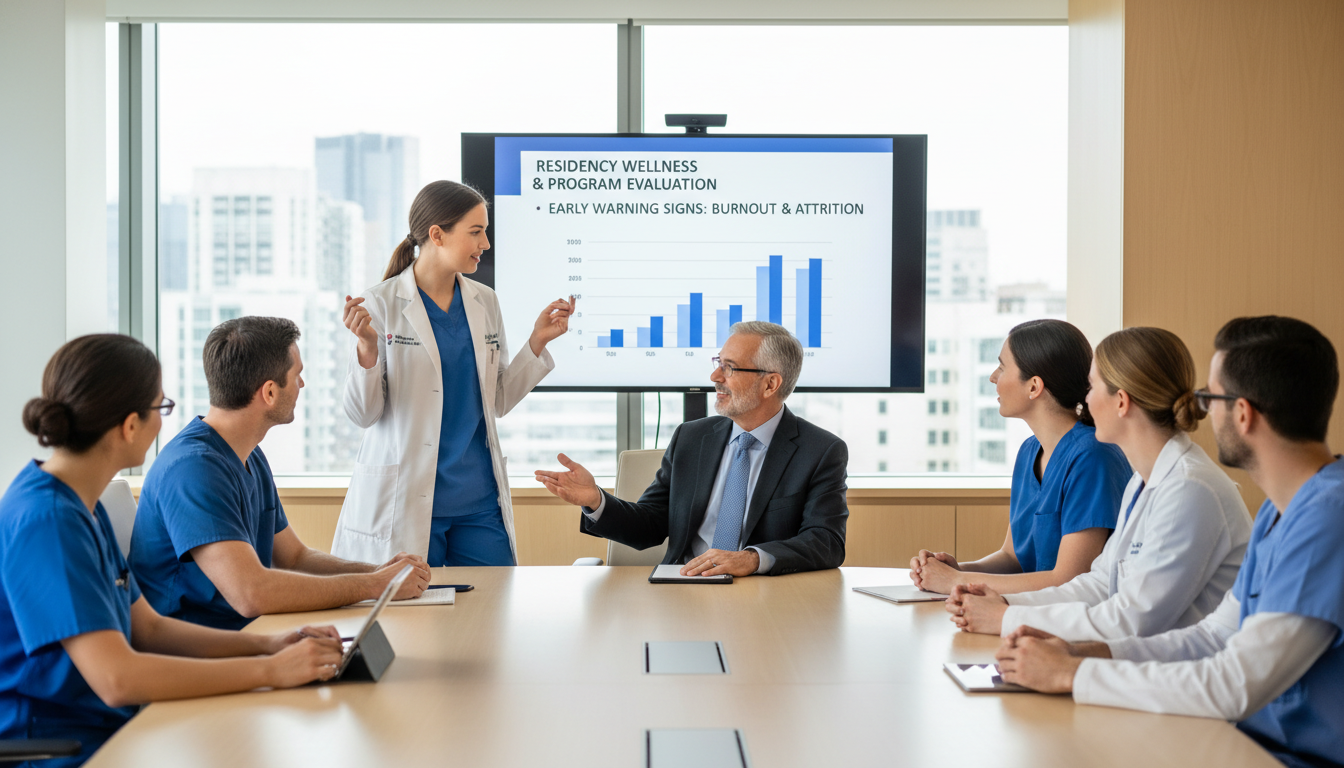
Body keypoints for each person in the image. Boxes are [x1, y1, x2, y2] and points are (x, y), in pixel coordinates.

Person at [995, 316, 1342, 768]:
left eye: (1209, 397)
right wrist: (1085, 652)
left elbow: (1233, 684)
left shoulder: (1325, 517)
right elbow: (1213, 637)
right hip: (1247, 740)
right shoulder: (1283, 511)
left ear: (1243, 413)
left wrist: (1075, 673)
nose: (1201, 411)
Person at [1, 335, 344, 767]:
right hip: (61, 745)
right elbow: (116, 678)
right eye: (162, 408)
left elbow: (150, 629)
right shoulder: (48, 520)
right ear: (129, 426)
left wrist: (270, 646)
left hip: (109, 723)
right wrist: (271, 672)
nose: (167, 423)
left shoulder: (80, 505)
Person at [947, 327, 1252, 639]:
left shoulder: (1189, 490)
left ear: (1121, 402)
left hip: (1185, 671)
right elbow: (1099, 583)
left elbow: (1133, 619)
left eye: (1092, 388)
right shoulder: (1143, 483)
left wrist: (1006, 617)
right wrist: (1004, 603)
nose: (1085, 400)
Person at [131, 317, 429, 631]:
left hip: (248, 634)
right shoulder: (192, 470)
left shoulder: (249, 455)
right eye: (297, 375)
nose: (302, 385)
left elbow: (296, 557)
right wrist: (376, 586)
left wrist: (379, 573)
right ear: (270, 392)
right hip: (194, 653)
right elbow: (251, 593)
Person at [333, 180, 573, 567]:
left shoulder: (484, 301)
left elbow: (498, 401)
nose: (486, 244)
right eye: (476, 232)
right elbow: (363, 414)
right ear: (437, 235)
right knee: (414, 622)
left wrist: (537, 342)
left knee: (493, 611)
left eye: (486, 232)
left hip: (478, 502)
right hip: (408, 498)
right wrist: (367, 349)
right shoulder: (379, 304)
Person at [536, 322, 847, 577]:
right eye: (718, 363)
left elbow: (826, 541)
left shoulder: (820, 450)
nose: (715, 377)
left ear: (770, 384)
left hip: (766, 593)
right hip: (681, 587)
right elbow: (650, 525)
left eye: (730, 368)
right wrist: (595, 500)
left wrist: (752, 559)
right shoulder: (692, 437)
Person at [910, 320, 1130, 594]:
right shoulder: (1029, 451)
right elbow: (1013, 558)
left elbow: (1070, 580)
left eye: (1002, 367)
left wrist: (956, 582)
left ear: (1034, 386)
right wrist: (958, 570)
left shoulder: (1093, 457)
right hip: (1032, 613)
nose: (993, 377)